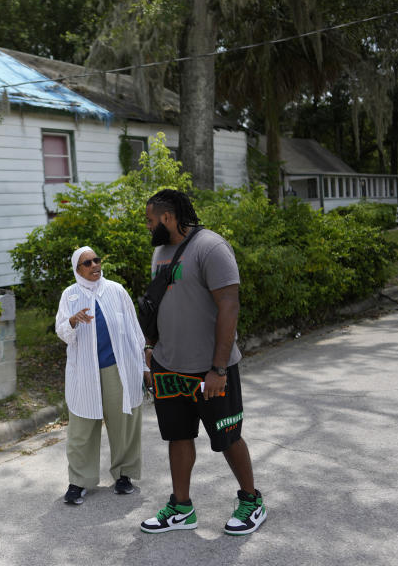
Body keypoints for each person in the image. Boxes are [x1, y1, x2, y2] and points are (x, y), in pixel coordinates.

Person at [139, 189, 267, 535]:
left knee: (227, 435)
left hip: (209, 369)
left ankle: (252, 500)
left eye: (151, 220)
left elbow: (229, 307)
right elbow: (157, 306)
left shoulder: (211, 247)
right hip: (168, 365)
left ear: (167, 218)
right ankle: (181, 508)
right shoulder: (161, 252)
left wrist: (218, 369)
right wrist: (150, 350)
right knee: (178, 437)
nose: (148, 227)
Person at [55, 246, 150, 505]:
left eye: (97, 260)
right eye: (87, 263)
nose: (95, 265)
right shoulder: (70, 295)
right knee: (81, 428)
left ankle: (124, 475)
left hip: (118, 369)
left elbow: (134, 330)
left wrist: (144, 366)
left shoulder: (116, 291)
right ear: (78, 270)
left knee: (124, 423)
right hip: (84, 372)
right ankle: (79, 482)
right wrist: (73, 321)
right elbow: (61, 331)